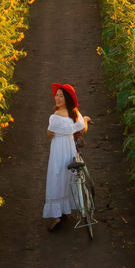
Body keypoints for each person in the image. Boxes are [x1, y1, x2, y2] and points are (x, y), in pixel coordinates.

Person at [44, 82, 90, 231]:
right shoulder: (75, 113)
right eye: (56, 96)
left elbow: (49, 133)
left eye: (60, 96)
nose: (57, 98)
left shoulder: (55, 116)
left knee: (55, 177)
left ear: (67, 98)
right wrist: (86, 120)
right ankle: (65, 208)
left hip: (58, 149)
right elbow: (82, 129)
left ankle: (57, 216)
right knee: (68, 177)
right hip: (70, 149)